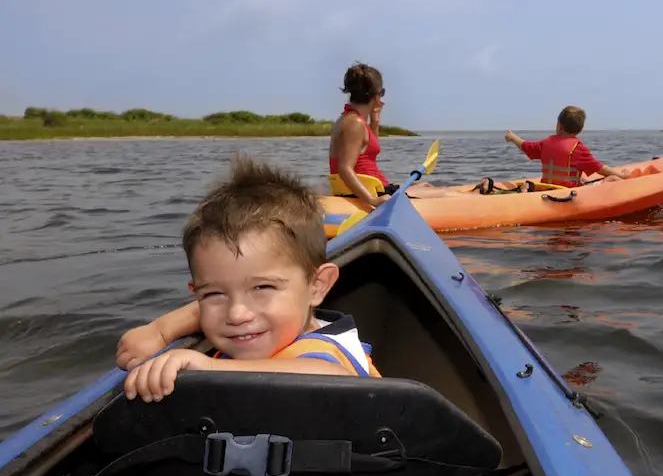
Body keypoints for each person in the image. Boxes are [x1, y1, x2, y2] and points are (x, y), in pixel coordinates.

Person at [118, 154, 380, 403]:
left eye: (263, 287)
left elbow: (333, 379)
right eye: (214, 294)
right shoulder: (254, 317)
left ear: (317, 285)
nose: (237, 314)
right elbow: (206, 311)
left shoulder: (327, 352)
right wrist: (161, 330)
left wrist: (210, 367)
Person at [328, 62, 477, 206]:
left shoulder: (348, 119)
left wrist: (375, 122)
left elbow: (367, 152)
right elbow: (345, 169)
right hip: (372, 192)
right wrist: (372, 200)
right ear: (376, 96)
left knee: (424, 186)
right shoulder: (355, 123)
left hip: (376, 187)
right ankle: (482, 198)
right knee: (445, 192)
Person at [477, 106, 630, 194]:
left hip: (546, 188)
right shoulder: (578, 148)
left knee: (581, 177)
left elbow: (526, 147)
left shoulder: (546, 143)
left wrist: (513, 137)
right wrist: (621, 175)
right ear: (579, 130)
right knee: (613, 179)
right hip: (566, 192)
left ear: (559, 126)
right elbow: (600, 168)